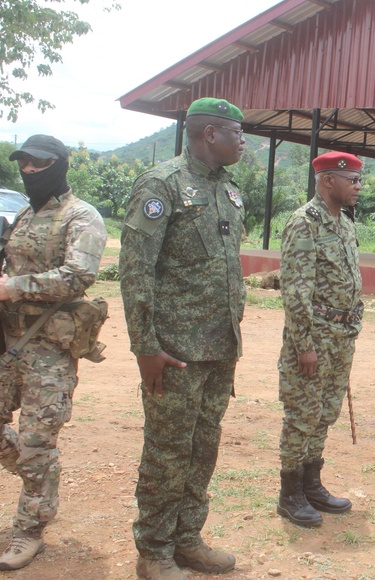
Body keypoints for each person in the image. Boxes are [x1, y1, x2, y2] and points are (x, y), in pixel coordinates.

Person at [120, 98, 246, 580]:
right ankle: (153, 551)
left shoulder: (230, 192)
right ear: (210, 133)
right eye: (237, 133)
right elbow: (136, 271)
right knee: (167, 451)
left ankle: (187, 538)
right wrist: (145, 347)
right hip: (173, 352)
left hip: (219, 347)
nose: (244, 142)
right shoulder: (162, 185)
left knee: (203, 446)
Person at [0, 135, 107, 570]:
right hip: (8, 343)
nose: (28, 172)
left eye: (38, 164)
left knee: (39, 442)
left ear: (59, 166)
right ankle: (31, 474)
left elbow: (78, 275)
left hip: (48, 348)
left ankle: (29, 531)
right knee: (25, 447)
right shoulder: (26, 214)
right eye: (23, 164)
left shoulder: (81, 216)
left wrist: (12, 288)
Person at [276, 152, 364, 526]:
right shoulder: (304, 223)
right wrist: (304, 346)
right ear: (328, 181)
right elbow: (296, 291)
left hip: (341, 337)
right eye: (353, 180)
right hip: (314, 337)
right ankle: (289, 493)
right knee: (302, 414)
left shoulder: (344, 223)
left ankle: (312, 483)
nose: (358, 187)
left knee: (326, 411)